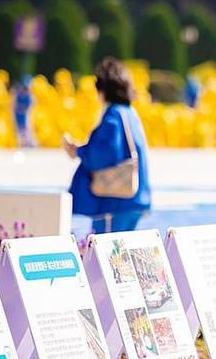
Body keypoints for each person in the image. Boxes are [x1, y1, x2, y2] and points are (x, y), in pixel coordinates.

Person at [63, 57, 151, 233]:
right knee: (122, 248)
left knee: (104, 247)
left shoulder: (113, 115)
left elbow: (105, 154)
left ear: (103, 90)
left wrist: (78, 151)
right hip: (134, 198)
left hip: (115, 202)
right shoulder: (130, 113)